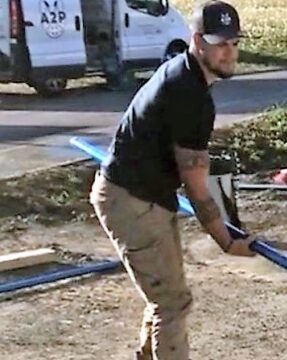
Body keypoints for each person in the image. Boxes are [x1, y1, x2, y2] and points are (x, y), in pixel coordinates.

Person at [89, 1, 258, 359]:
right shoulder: (189, 95)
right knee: (172, 303)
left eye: (234, 43)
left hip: (141, 195)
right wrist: (227, 242)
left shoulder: (184, 75)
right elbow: (197, 190)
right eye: (219, 43)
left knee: (165, 293)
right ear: (197, 41)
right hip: (132, 202)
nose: (229, 52)